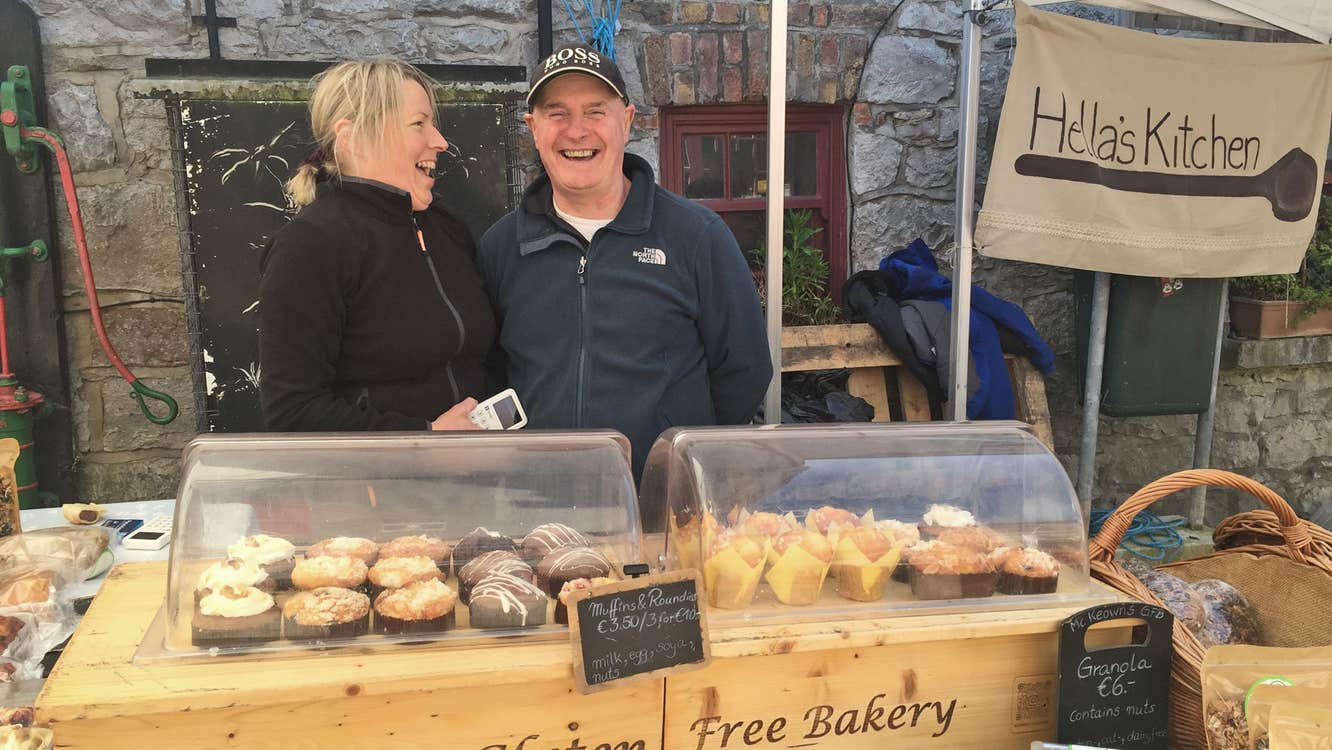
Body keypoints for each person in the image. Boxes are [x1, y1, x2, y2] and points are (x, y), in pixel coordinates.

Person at [477, 43, 772, 481]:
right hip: (539, 500)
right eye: (557, 114)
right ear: (533, 128)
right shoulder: (502, 247)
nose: (577, 132)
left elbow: (744, 371)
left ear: (627, 121)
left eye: (595, 112)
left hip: (660, 500)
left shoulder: (696, 236)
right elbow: (487, 371)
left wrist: (676, 466)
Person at [259, 59, 495, 431]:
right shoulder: (310, 245)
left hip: (479, 462)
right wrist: (427, 439)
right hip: (381, 470)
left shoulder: (448, 228)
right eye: (418, 124)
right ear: (353, 138)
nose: (440, 141)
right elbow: (293, 413)